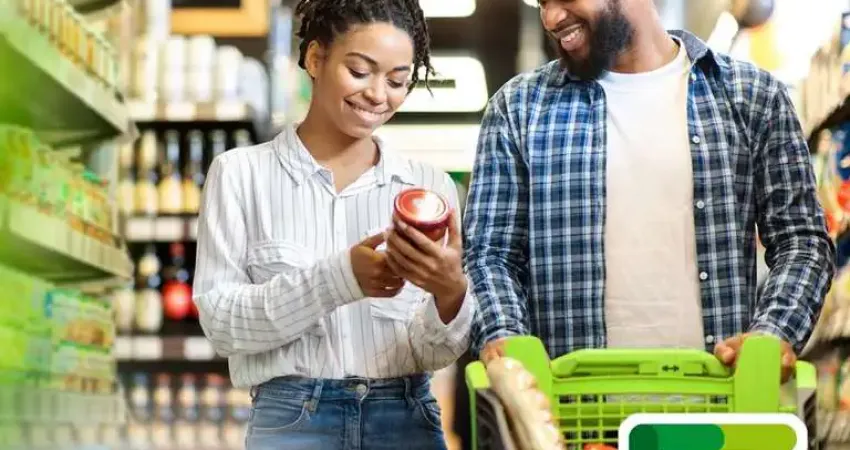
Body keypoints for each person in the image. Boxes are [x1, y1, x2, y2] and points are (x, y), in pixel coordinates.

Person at [464, 0, 834, 381]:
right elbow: (490, 255)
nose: (551, 18)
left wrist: (771, 334)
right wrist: (506, 338)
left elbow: (800, 240)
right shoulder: (519, 108)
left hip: (716, 406)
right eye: (542, 2)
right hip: (572, 415)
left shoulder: (751, 96)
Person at [192, 1, 473, 448]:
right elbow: (222, 324)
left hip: (404, 418)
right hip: (291, 421)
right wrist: (338, 279)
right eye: (360, 71)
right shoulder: (240, 175)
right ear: (316, 59)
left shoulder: (427, 188)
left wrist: (450, 292)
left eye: (398, 80)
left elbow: (434, 351)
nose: (379, 94)